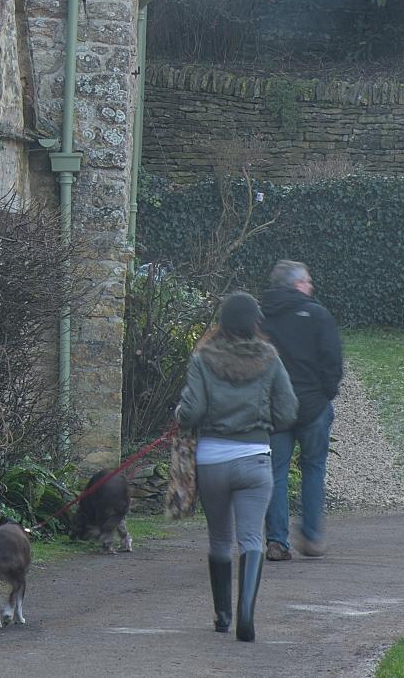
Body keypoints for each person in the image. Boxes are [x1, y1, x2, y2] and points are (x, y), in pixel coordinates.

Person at [176, 289, 297, 643]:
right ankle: (246, 616)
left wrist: (180, 415)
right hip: (255, 459)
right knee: (250, 538)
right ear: (254, 323)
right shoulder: (270, 358)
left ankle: (222, 615)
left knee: (219, 538)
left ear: (222, 323)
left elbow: (192, 411)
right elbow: (288, 411)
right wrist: (262, 422)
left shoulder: (203, 358)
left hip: (212, 459)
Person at [260, 258, 344, 561]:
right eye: (308, 281)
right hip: (313, 406)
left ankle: (276, 541)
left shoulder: (262, 316)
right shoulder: (318, 316)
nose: (312, 286)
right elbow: (332, 361)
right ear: (297, 284)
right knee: (313, 469)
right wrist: (326, 395)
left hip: (274, 409)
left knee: (275, 473)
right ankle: (311, 535)